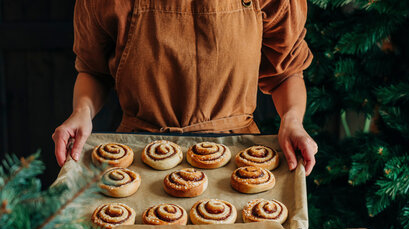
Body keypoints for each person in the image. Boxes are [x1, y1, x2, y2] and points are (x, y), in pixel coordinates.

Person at [53, 0, 318, 175]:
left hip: (239, 163)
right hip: (137, 161)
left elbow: (286, 72)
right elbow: (94, 70)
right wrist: (82, 112)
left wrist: (292, 119)